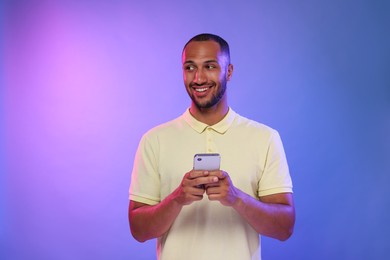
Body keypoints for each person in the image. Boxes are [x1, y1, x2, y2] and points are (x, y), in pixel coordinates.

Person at [128, 33, 295, 260]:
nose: (198, 78)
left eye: (210, 66)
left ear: (229, 71)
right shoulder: (154, 140)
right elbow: (138, 230)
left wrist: (237, 198)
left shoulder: (265, 138)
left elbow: (284, 227)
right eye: (189, 67)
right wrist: (176, 198)